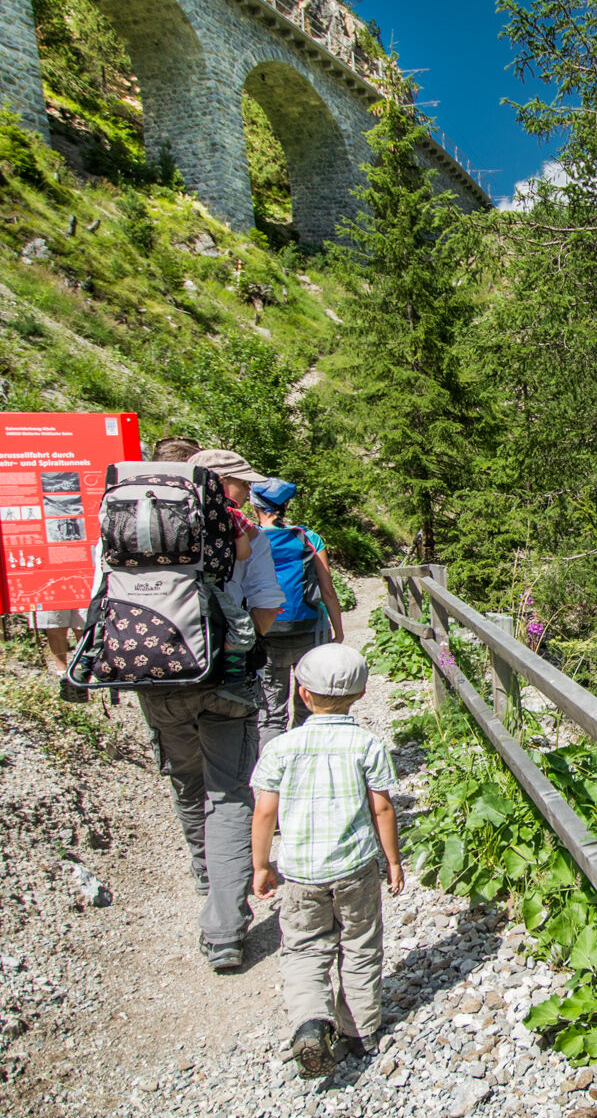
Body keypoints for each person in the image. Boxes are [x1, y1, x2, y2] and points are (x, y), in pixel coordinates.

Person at [133, 444, 285, 972]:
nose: (249, 491)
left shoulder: (131, 526)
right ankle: (224, 923)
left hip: (151, 679)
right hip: (225, 680)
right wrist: (240, 646)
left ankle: (208, 879)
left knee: (186, 781)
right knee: (228, 792)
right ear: (222, 484)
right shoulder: (246, 535)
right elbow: (266, 604)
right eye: (242, 483)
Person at [250, 644, 404, 1077]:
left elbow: (265, 811)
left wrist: (262, 865)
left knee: (303, 948)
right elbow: (383, 809)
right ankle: (359, 1031)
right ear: (361, 693)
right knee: (359, 944)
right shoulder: (367, 744)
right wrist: (392, 860)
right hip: (356, 868)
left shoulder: (281, 748)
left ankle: (310, 1022)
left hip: (300, 873)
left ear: (302, 694)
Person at [248, 478, 346, 749]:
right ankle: (304, 765)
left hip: (265, 632)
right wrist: (338, 629)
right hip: (308, 630)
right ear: (286, 505)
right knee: (308, 704)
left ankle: (272, 780)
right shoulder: (307, 538)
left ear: (254, 505)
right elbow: (327, 589)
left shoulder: (247, 538)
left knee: (271, 714)